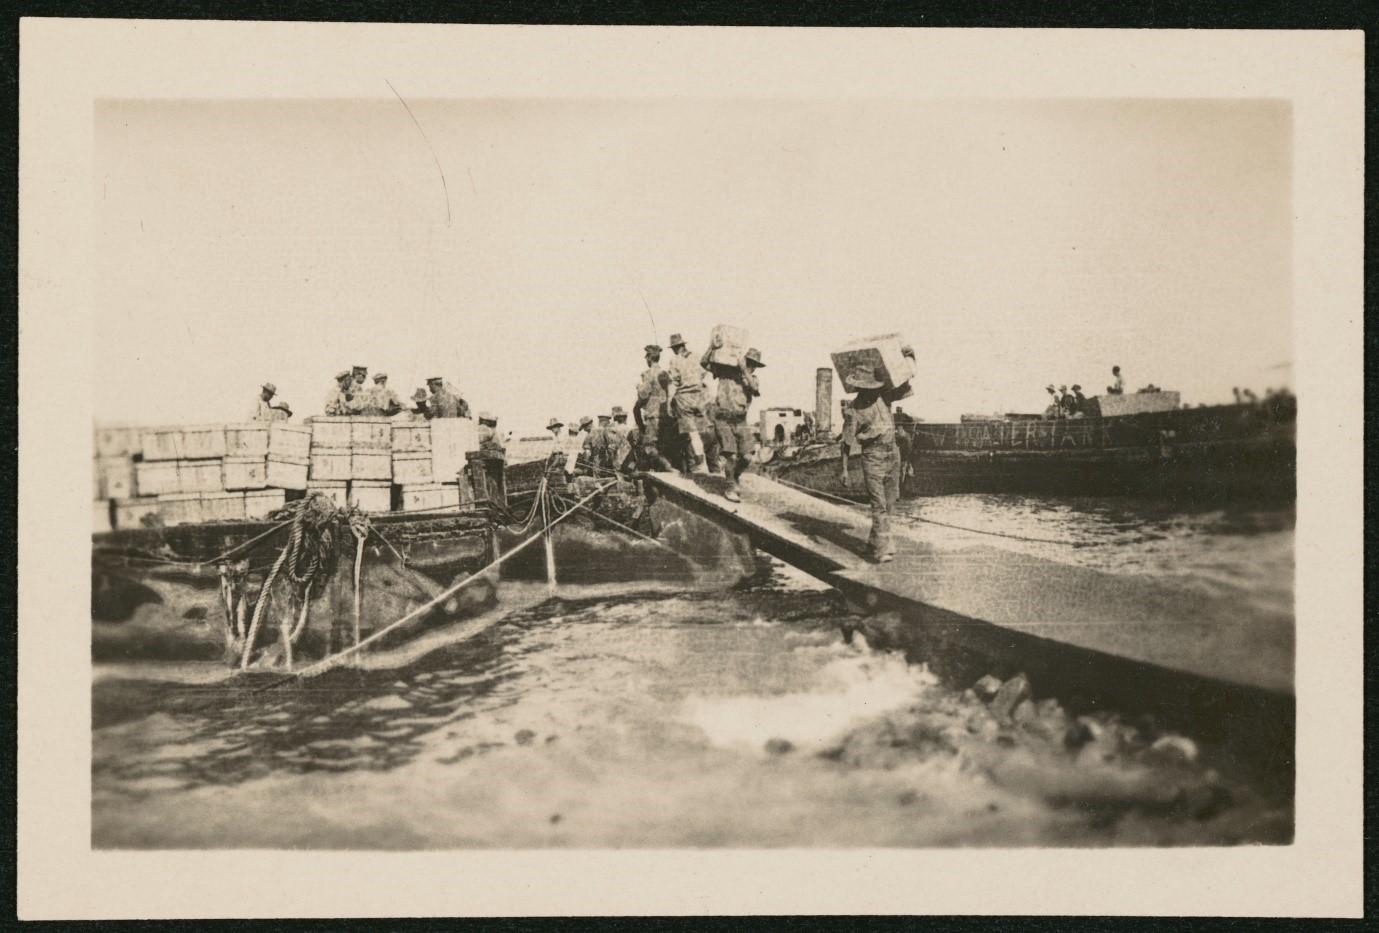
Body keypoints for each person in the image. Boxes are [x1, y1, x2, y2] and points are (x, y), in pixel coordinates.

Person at [844, 364, 907, 563]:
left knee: (890, 502)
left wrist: (908, 360)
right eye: (866, 388)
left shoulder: (884, 396)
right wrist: (844, 470)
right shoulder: (853, 410)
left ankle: (874, 543)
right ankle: (882, 551)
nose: (870, 391)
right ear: (859, 388)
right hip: (873, 457)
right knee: (878, 505)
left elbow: (904, 386)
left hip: (893, 453)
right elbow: (846, 442)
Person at [701, 340, 763, 502]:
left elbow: (755, 390)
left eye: (754, 364)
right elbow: (704, 363)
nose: (752, 366)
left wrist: (744, 370)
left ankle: (734, 476)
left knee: (747, 457)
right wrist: (712, 348)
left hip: (740, 421)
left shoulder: (752, 379)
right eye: (749, 362)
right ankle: (729, 486)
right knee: (732, 456)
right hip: (723, 419)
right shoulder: (725, 372)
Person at [665, 332, 711, 474]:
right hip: (700, 397)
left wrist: (668, 402)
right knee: (702, 431)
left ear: (674, 348)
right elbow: (704, 373)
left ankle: (699, 464)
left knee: (691, 433)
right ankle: (707, 464)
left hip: (684, 399)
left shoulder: (675, 360)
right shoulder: (697, 356)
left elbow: (674, 382)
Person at [635, 343, 674, 472]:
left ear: (649, 358)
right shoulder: (666, 373)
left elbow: (643, 394)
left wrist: (638, 387)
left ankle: (668, 467)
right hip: (667, 415)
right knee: (664, 446)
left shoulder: (649, 373)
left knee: (649, 446)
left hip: (653, 414)